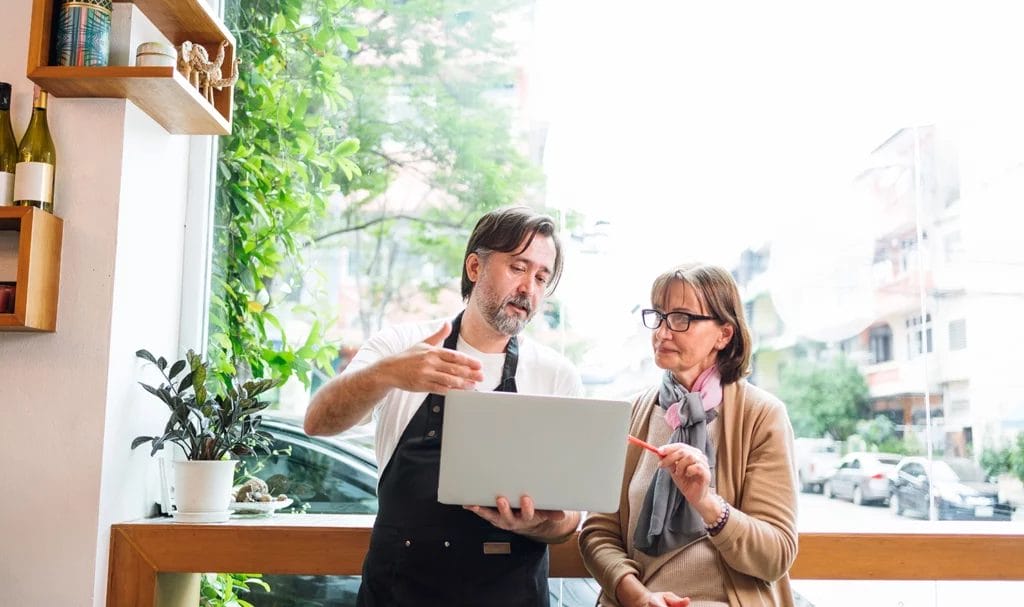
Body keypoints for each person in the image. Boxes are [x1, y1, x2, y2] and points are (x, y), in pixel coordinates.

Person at [304, 206, 583, 607]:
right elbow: (318, 422)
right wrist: (386, 375)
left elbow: (569, 522)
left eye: (541, 277)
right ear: (474, 266)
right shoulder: (402, 347)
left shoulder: (557, 375)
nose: (529, 289)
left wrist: (536, 523)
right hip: (399, 593)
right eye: (518, 268)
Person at [580, 263, 798, 607]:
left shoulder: (762, 415)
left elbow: (775, 555)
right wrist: (636, 595)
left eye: (681, 318)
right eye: (659, 316)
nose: (663, 332)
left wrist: (707, 503)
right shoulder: (632, 413)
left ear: (724, 334)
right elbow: (597, 533)